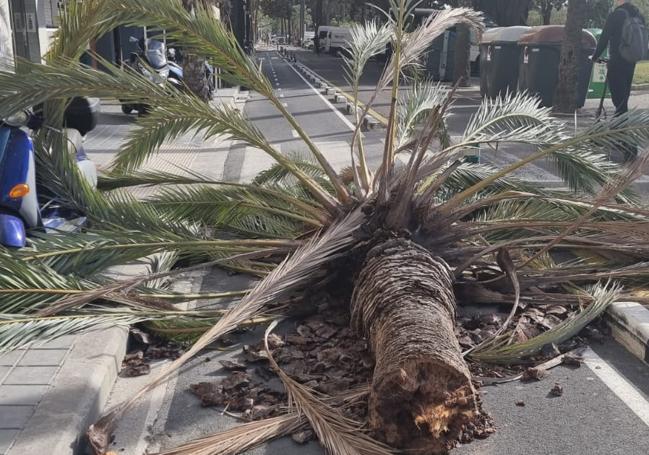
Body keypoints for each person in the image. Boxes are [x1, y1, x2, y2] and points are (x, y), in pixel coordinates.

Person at [593, 0, 646, 116]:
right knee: (624, 95)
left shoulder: (616, 15)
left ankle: (620, 125)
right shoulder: (638, 15)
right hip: (631, 59)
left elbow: (604, 37)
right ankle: (622, 123)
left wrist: (594, 56)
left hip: (617, 59)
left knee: (617, 95)